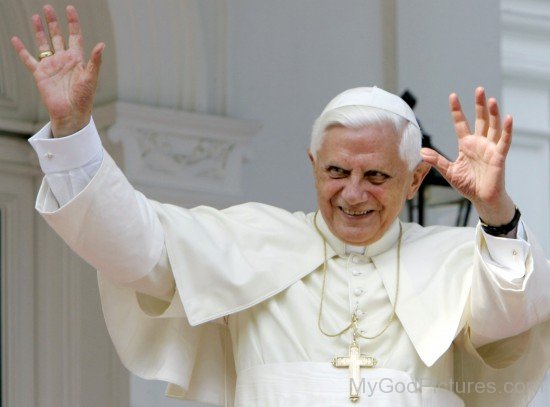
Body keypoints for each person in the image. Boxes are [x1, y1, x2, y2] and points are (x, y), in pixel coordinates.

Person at [12, 4, 550, 406]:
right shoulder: (251, 240)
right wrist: (73, 132)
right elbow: (134, 244)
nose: (353, 192)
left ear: (414, 182)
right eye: (337, 171)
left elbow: (514, 311)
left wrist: (496, 208)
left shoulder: (456, 257)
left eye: (377, 176)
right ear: (313, 164)